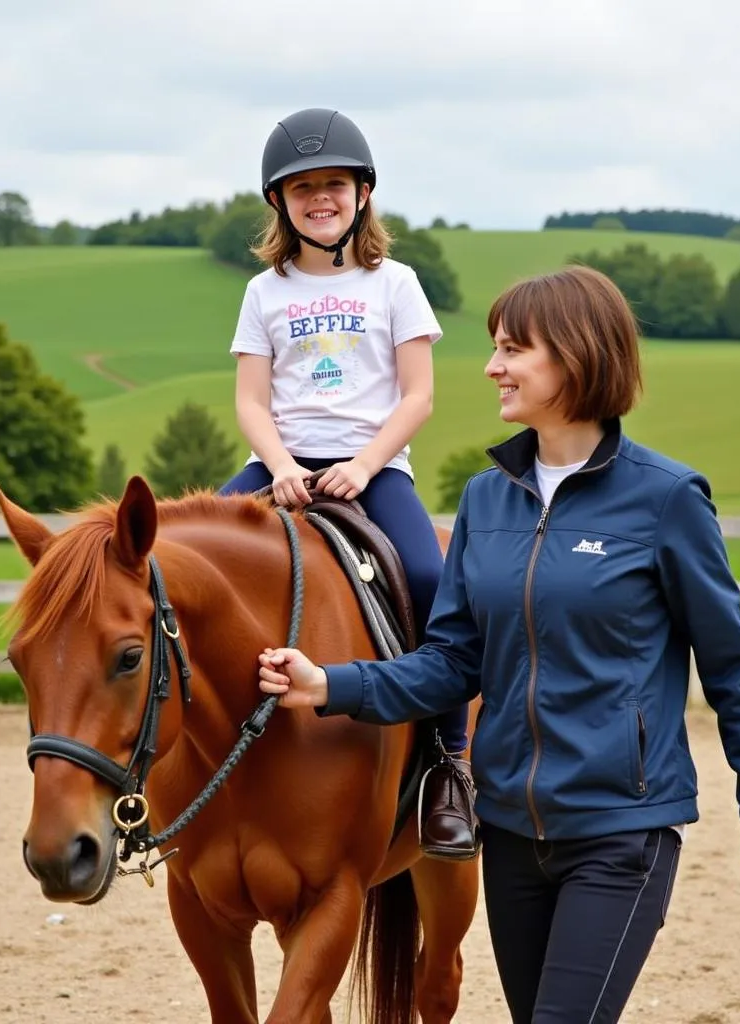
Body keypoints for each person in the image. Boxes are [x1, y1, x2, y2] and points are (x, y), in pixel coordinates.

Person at [257, 266, 740, 1023]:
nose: (492, 367)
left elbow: (736, 670)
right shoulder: (487, 498)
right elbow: (452, 662)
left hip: (621, 830)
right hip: (509, 831)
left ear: (576, 356)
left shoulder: (667, 499)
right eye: (494, 348)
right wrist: (330, 685)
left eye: (514, 349)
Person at [218, 107, 478, 860]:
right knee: (177, 566)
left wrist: (364, 464)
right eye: (302, 189)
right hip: (285, 468)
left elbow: (418, 395)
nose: (319, 198)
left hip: (372, 469)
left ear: (362, 193)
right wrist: (281, 467)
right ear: (279, 203)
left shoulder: (395, 282)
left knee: (433, 577)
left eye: (333, 184)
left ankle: (447, 767)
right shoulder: (265, 292)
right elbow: (249, 400)